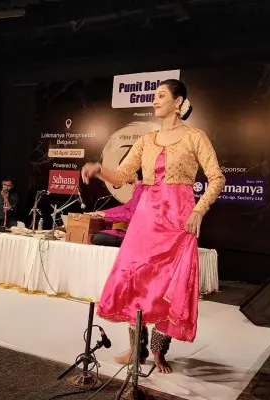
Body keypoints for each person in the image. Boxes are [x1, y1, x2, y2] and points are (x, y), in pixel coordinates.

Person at [81, 79, 225, 374]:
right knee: (135, 279)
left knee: (169, 285)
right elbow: (121, 175)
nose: (155, 100)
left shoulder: (195, 137)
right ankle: (137, 348)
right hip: (146, 220)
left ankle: (159, 351)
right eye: (154, 95)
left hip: (178, 221)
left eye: (161, 95)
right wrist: (99, 170)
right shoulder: (146, 140)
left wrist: (199, 210)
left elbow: (217, 178)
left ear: (178, 101)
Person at [88, 170, 143, 248]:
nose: (123, 176)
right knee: (96, 236)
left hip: (138, 236)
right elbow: (125, 208)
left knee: (97, 238)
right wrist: (101, 213)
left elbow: (132, 215)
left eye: (125, 173)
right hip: (131, 233)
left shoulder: (142, 189)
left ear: (135, 174)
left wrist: (106, 216)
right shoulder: (138, 188)